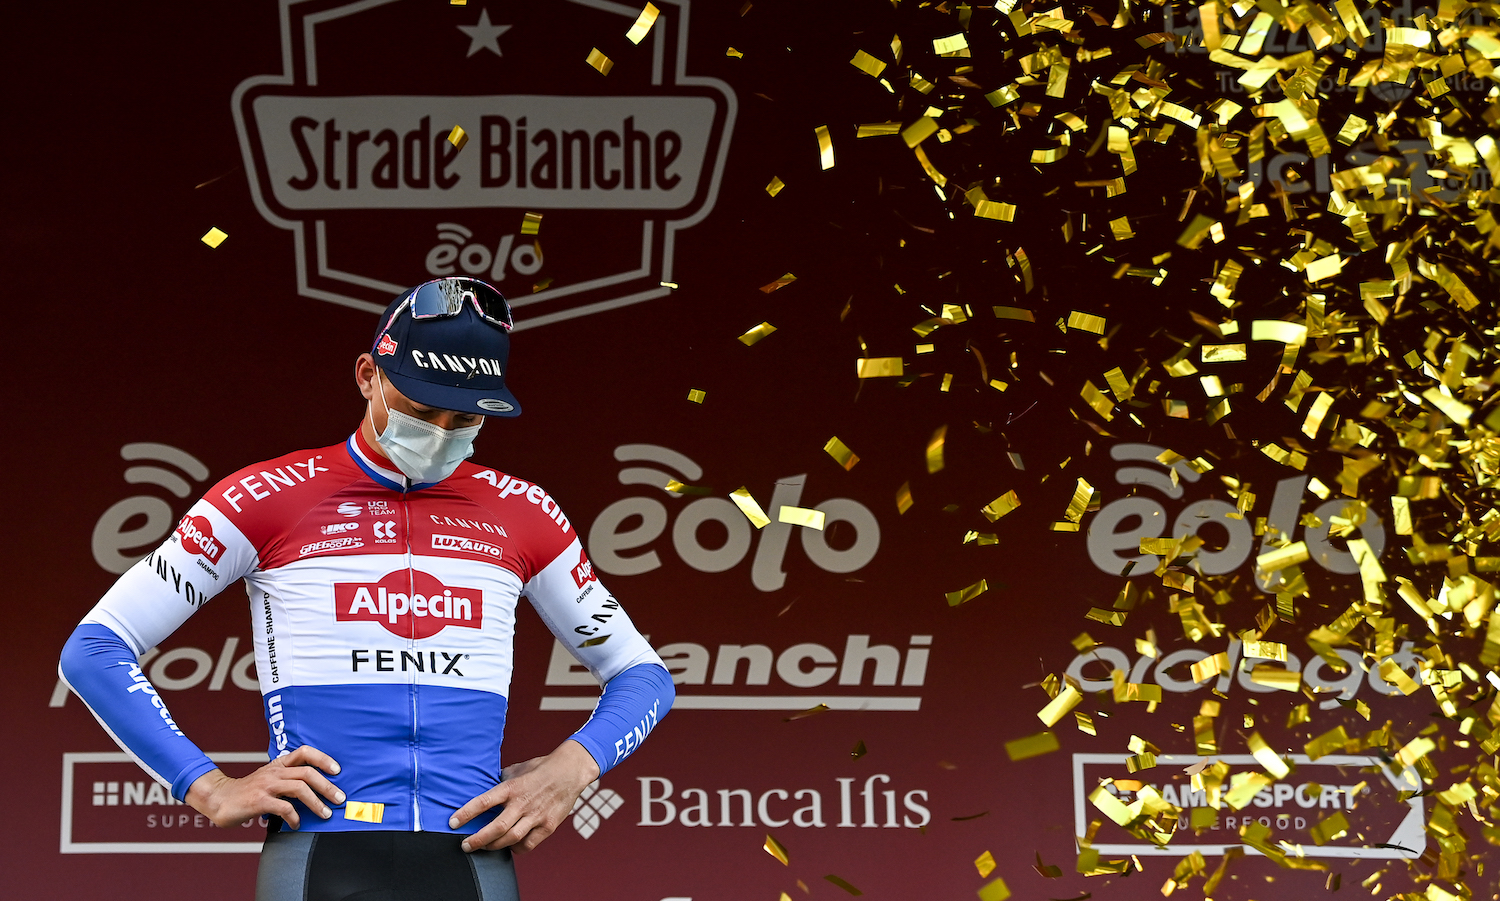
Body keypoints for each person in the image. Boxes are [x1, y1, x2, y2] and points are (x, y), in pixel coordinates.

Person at [59, 277, 675, 901]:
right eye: (418, 409)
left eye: (463, 419)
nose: (439, 432)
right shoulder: (265, 496)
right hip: (324, 854)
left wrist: (574, 767)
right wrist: (206, 784)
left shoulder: (525, 511)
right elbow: (96, 649)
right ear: (367, 375)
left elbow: (644, 676)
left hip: (471, 859)